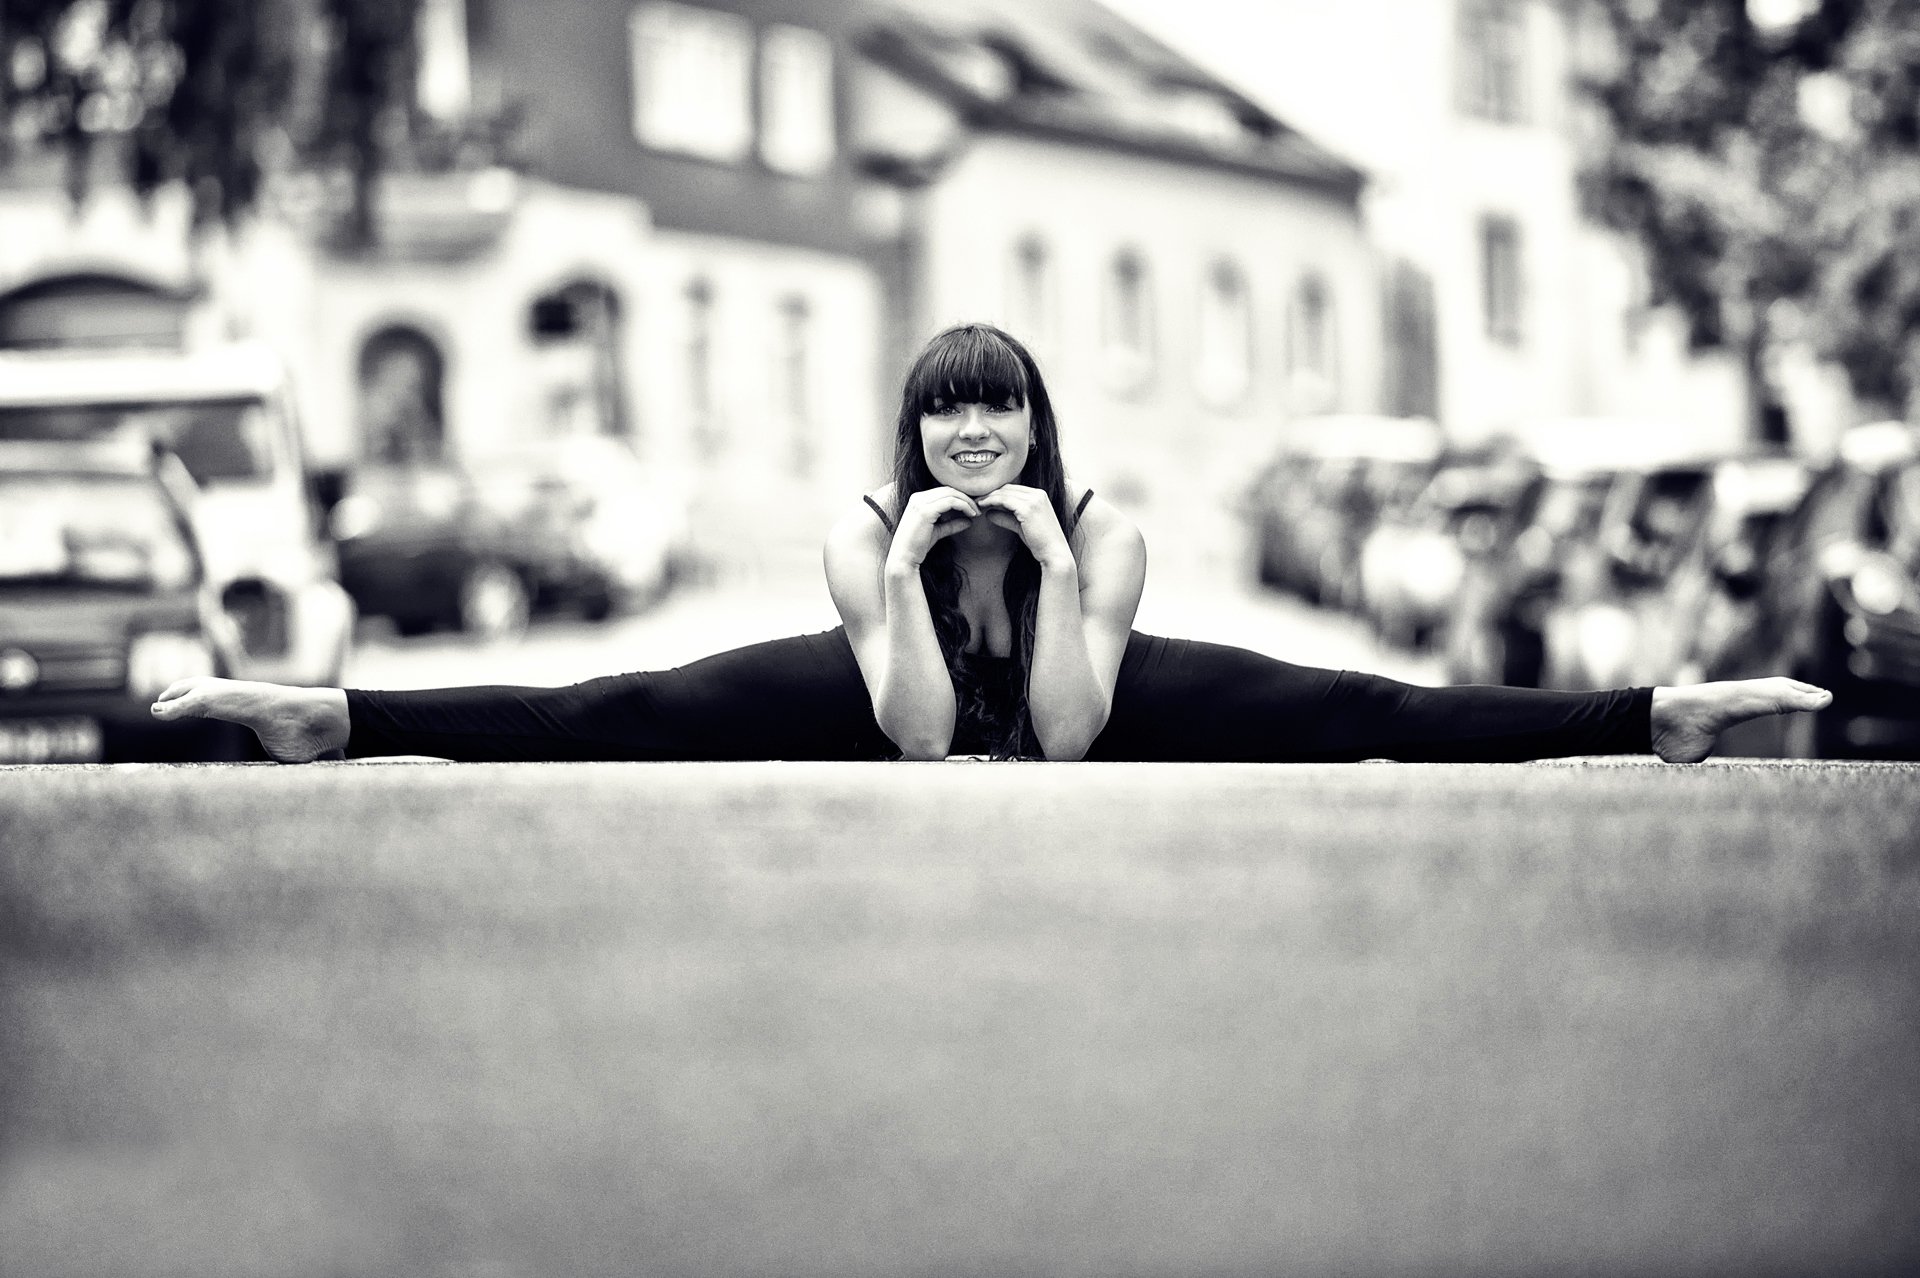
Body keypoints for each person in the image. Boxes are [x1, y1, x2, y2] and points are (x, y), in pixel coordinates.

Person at [152, 324, 1829, 766]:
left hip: (1094, 674)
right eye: (949, 415)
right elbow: (925, 743)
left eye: (1000, 412)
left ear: (1033, 426)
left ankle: (1652, 716)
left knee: (1346, 698)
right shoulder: (860, 529)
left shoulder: (1105, 525)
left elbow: (1074, 740)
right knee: (613, 702)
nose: (973, 436)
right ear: (917, 428)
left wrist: (1047, 563)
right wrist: (897, 586)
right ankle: (331, 717)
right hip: (894, 679)